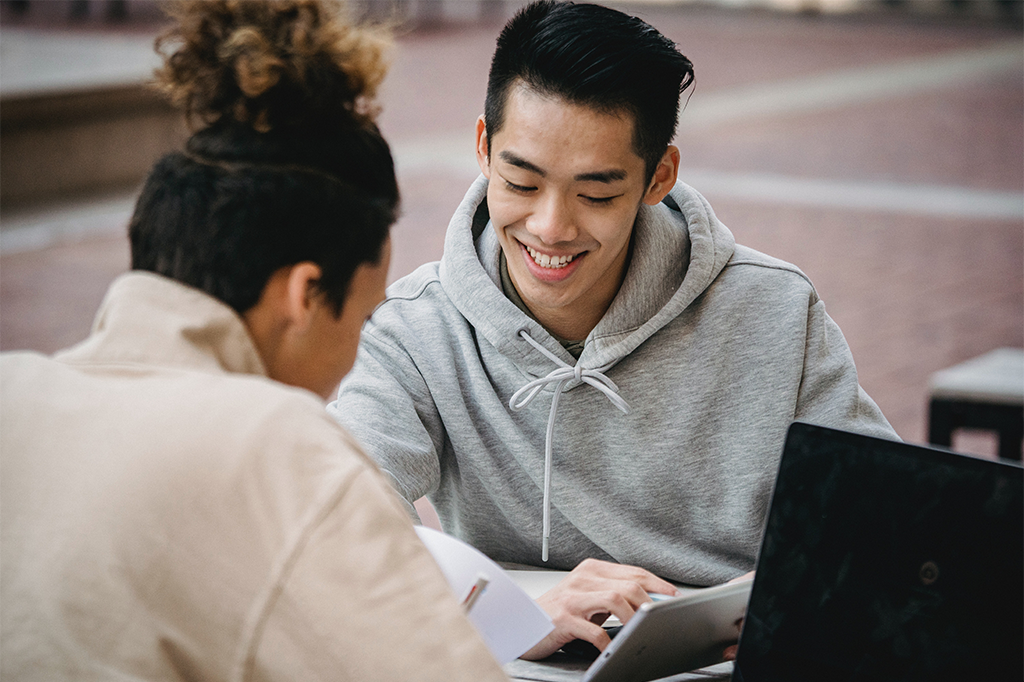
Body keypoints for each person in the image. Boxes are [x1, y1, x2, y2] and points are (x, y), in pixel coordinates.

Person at [328, 0, 897, 661]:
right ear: (483, 147)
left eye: (595, 194)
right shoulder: (417, 329)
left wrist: (768, 600)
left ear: (659, 177)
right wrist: (508, 621)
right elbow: (337, 512)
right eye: (520, 180)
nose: (550, 227)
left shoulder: (774, 313)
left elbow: (882, 521)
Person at [0, 1, 508, 680]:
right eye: (361, 318)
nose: (359, 348)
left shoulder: (14, 395)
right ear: (303, 295)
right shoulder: (281, 448)